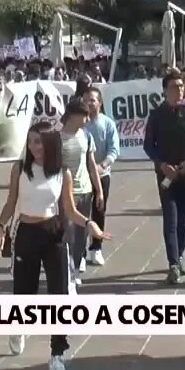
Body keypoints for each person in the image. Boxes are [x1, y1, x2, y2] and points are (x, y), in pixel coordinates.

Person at [0, 122, 110, 370]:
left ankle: (57, 356)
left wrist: (88, 223)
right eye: (32, 142)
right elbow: (11, 203)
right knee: (23, 294)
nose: (36, 147)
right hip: (26, 235)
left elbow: (69, 209)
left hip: (54, 235)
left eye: (41, 142)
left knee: (60, 296)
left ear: (51, 144)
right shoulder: (19, 169)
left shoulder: (62, 173)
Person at [142, 71, 185, 285]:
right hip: (165, 174)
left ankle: (179, 256)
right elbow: (149, 145)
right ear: (165, 91)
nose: (178, 90)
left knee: (184, 219)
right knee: (170, 217)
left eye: (181, 86)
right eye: (173, 87)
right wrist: (161, 164)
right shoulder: (156, 115)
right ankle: (173, 264)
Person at [57, 99, 102, 285]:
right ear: (73, 115)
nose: (87, 118)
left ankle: (75, 269)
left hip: (86, 191)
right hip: (66, 194)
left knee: (82, 234)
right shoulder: (57, 138)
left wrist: (99, 190)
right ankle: (66, 271)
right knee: (67, 235)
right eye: (84, 115)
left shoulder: (86, 136)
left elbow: (91, 165)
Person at [82, 88, 119, 267]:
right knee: (80, 213)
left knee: (99, 211)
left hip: (102, 174)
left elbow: (114, 149)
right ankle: (79, 253)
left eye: (93, 100)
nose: (89, 103)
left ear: (100, 102)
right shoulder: (79, 124)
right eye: (86, 100)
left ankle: (96, 248)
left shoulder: (108, 123)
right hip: (80, 176)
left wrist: (102, 165)